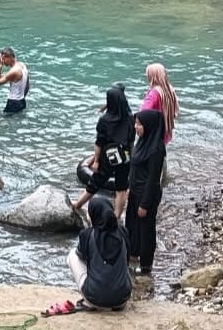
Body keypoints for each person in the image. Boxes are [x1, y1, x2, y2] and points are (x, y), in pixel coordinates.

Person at [45, 197, 131, 316]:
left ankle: (89, 302)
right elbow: (126, 262)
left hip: (95, 299)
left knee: (72, 255)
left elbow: (82, 257)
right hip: (121, 299)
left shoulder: (88, 234)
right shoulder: (123, 232)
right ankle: (115, 296)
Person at [72, 85, 134, 221]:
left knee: (95, 182)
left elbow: (99, 143)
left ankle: (78, 204)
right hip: (124, 157)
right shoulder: (130, 118)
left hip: (108, 158)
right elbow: (131, 141)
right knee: (121, 188)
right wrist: (131, 158)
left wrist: (96, 160)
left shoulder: (105, 120)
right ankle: (117, 215)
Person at [127, 110, 166, 276]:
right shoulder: (141, 143)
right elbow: (134, 168)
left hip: (147, 194)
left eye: (139, 124)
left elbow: (152, 179)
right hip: (135, 191)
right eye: (136, 124)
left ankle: (146, 266)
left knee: (146, 230)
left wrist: (144, 203)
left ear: (149, 126)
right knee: (132, 226)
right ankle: (132, 255)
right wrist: (129, 187)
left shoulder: (156, 149)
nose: (136, 127)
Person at [140, 63, 179, 144]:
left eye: (148, 75)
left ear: (152, 76)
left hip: (154, 135)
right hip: (166, 132)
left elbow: (143, 113)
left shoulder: (154, 93)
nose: (147, 77)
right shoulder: (170, 89)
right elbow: (176, 110)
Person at [0, 47, 29, 114]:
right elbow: (27, 86)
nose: (2, 61)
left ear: (10, 57)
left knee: (5, 123)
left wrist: (0, 66)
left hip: (13, 103)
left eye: (3, 59)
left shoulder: (14, 71)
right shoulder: (23, 65)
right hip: (22, 101)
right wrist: (22, 97)